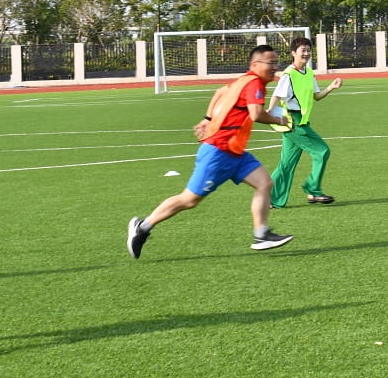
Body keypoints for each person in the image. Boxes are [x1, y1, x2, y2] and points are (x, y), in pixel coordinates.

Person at [127, 44, 294, 258]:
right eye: (271, 63)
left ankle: (261, 235)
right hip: (218, 151)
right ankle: (142, 227)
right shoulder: (254, 83)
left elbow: (220, 92)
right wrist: (279, 119)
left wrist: (208, 119)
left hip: (235, 151)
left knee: (265, 183)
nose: (275, 67)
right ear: (255, 64)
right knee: (189, 200)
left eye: (276, 63)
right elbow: (256, 114)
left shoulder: (243, 81)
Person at [268, 37, 343, 207]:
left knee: (286, 164)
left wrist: (331, 87)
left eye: (309, 50)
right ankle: (313, 190)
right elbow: (277, 95)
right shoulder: (288, 74)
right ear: (293, 53)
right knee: (322, 151)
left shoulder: (309, 73)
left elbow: (316, 96)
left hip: (301, 121)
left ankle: (268, 197)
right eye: (303, 50)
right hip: (292, 122)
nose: (307, 53)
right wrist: (270, 113)